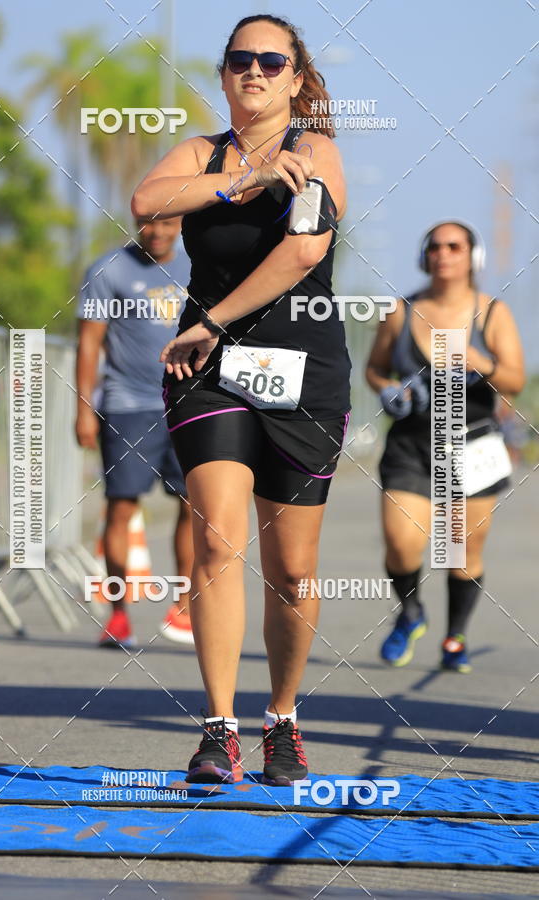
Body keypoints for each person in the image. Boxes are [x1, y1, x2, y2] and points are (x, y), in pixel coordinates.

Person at [131, 14, 351, 786]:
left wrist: (212, 322)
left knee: (291, 571)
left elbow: (303, 251)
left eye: (269, 61)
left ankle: (282, 719)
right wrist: (243, 180)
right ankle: (217, 727)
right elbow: (147, 200)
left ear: (295, 77)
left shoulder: (316, 151)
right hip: (209, 375)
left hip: (303, 375)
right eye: (238, 61)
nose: (252, 72)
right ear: (224, 75)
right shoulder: (204, 154)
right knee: (217, 541)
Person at [366, 221, 525, 673]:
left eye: (454, 246)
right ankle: (411, 612)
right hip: (411, 444)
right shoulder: (400, 311)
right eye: (434, 246)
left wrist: (482, 361)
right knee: (402, 544)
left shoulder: (493, 313)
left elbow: (514, 378)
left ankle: (455, 637)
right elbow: (375, 369)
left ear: (472, 257)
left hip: (470, 446)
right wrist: (386, 389)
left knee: (461, 549)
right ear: (424, 255)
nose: (443, 254)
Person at [75, 217, 195, 648]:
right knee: (121, 507)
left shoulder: (196, 266)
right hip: (128, 405)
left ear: (180, 223)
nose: (157, 231)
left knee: (194, 505)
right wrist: (85, 409)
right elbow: (89, 342)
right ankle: (118, 613)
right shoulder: (108, 270)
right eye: (148, 223)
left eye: (166, 222)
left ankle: (184, 606)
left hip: (188, 404)